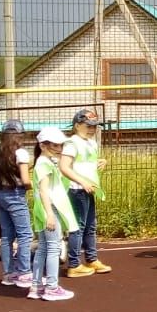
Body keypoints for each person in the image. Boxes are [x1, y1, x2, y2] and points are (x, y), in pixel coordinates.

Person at [59, 108, 110, 277]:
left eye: (94, 126)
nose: (92, 129)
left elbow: (86, 162)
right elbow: (64, 167)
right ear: (77, 125)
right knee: (78, 227)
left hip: (90, 189)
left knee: (90, 227)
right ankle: (74, 264)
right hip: (77, 190)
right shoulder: (71, 143)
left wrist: (101, 161)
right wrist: (82, 181)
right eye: (88, 125)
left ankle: (91, 259)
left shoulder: (91, 143)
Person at [29, 126, 78, 301]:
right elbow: (44, 191)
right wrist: (49, 213)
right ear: (43, 145)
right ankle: (51, 287)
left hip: (41, 210)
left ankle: (36, 286)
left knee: (43, 247)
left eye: (60, 145)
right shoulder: (44, 164)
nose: (59, 149)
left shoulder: (45, 162)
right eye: (55, 145)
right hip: (48, 210)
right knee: (53, 248)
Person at [0, 119, 35, 288]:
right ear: (20, 136)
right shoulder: (21, 153)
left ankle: (9, 274)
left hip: (1, 195)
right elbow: (25, 180)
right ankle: (24, 273)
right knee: (25, 235)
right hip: (15, 195)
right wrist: (34, 185)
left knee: (7, 236)